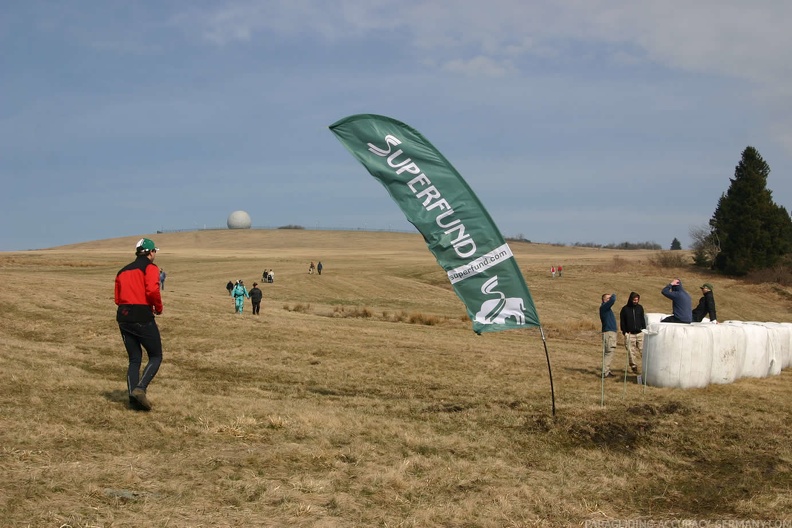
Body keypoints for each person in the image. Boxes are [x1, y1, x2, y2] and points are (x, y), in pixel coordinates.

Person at [114, 238, 163, 411]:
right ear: (150, 252)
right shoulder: (150, 268)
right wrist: (158, 307)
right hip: (142, 315)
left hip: (123, 316)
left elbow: (117, 299)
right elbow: (152, 290)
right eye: (154, 251)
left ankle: (133, 399)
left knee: (134, 359)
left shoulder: (122, 271)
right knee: (156, 355)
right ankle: (140, 389)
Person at [619, 292, 646, 374]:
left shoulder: (640, 308)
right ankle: (634, 366)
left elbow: (642, 319)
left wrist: (644, 329)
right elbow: (622, 321)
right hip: (630, 334)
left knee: (643, 350)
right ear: (631, 299)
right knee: (631, 351)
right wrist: (624, 331)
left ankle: (647, 366)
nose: (635, 301)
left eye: (637, 300)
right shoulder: (625, 309)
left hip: (640, 333)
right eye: (634, 300)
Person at [599, 293, 617, 378]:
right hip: (609, 333)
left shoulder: (606, 308)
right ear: (604, 300)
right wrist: (613, 295)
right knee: (609, 352)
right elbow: (613, 300)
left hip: (609, 333)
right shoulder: (604, 307)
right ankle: (605, 372)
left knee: (608, 352)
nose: (610, 299)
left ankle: (606, 370)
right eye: (608, 298)